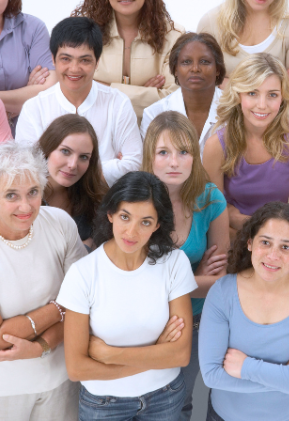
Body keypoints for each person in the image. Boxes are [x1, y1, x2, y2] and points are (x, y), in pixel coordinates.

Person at [57, 171, 197, 421]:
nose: (131, 232)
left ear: (157, 225)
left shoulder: (175, 263)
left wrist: (111, 355)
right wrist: (157, 352)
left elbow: (181, 354)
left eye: (145, 222)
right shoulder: (83, 273)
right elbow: (77, 368)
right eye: (125, 217)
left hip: (164, 396)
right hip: (103, 404)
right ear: (110, 214)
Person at [199, 201, 289, 421]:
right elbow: (212, 376)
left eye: (285, 247)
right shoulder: (222, 292)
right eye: (265, 242)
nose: (273, 255)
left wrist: (247, 367)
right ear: (250, 243)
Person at [142, 110, 229, 421]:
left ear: (195, 156)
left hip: (193, 324)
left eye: (183, 152)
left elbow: (219, 283)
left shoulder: (210, 199)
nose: (174, 162)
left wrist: (171, 282)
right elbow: (132, 281)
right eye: (163, 152)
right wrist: (195, 276)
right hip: (142, 324)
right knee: (144, 403)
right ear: (149, 156)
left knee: (181, 404)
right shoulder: (134, 198)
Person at [0, 141, 87, 421]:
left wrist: (39, 347)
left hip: (61, 380)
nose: (25, 206)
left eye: (33, 192)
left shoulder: (60, 223)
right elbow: (2, 339)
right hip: (5, 392)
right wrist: (60, 308)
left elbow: (84, 305)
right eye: (11, 195)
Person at [15, 17, 142, 186]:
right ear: (53, 59)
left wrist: (57, 170)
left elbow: (134, 164)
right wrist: (109, 167)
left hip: (105, 200)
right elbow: (27, 170)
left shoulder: (117, 103)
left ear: (97, 62)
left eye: (85, 60)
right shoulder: (34, 108)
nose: (74, 69)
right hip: (49, 200)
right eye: (66, 59)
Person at [203, 53, 289, 236]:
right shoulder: (216, 146)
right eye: (252, 93)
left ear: (282, 98)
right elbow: (213, 218)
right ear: (238, 95)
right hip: (234, 239)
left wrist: (257, 229)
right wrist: (246, 231)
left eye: (272, 95)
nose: (262, 105)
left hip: (286, 239)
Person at [72, 0, 184, 121]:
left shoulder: (173, 35)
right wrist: (144, 93)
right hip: (92, 130)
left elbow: (173, 101)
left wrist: (101, 88)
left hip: (152, 133)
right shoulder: (82, 32)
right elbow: (72, 90)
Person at [141, 32, 225, 158]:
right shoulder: (154, 114)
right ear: (175, 69)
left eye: (204, 61)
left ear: (217, 69)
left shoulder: (235, 109)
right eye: (186, 62)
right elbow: (149, 165)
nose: (195, 68)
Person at [0, 0, 56, 134]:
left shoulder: (33, 28)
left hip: (26, 139)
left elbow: (48, 92)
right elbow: (37, 97)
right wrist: (25, 94)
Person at [38, 114, 108, 248]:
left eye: (83, 157)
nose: (73, 164)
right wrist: (83, 246)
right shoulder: (22, 192)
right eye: (65, 151)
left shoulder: (92, 194)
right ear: (48, 149)